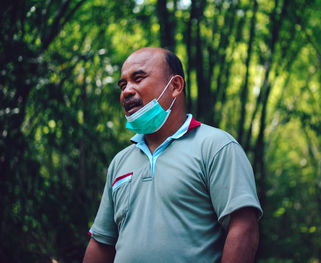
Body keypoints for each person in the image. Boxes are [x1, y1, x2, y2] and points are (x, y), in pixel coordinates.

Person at [83, 47, 263, 263]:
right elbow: (101, 243)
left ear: (175, 86)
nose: (127, 91)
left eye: (138, 79)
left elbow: (243, 227)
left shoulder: (216, 146)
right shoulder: (120, 162)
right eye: (123, 85)